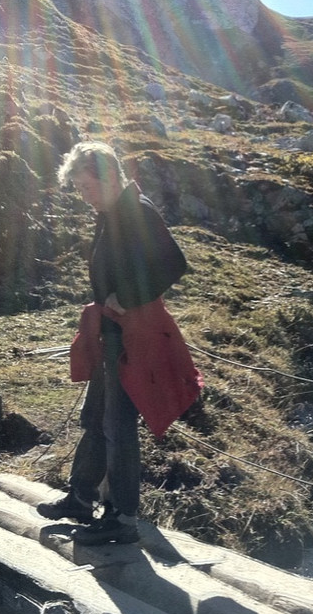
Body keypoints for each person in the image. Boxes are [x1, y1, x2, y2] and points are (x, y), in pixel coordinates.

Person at [37, 141, 201, 546]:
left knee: (118, 425)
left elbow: (173, 263)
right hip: (113, 335)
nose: (83, 196)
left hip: (133, 337)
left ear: (109, 177)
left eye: (86, 187)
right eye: (79, 189)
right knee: (95, 418)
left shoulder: (136, 212)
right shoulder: (111, 213)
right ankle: (81, 498)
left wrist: (126, 297)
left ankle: (123, 518)